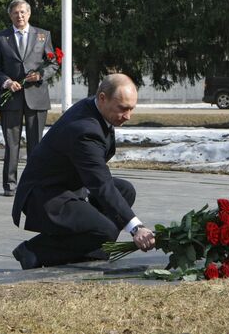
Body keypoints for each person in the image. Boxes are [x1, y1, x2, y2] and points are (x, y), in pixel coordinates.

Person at [12, 74, 156, 269]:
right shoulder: (84, 129)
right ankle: (35, 251)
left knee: (125, 190)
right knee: (103, 230)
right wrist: (136, 227)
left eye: (131, 109)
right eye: (122, 108)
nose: (128, 116)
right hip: (46, 196)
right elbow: (100, 183)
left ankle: (95, 251)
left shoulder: (96, 110)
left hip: (70, 185)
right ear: (103, 98)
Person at [0, 0, 57, 197]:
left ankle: (35, 183)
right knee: (12, 145)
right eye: (15, 13)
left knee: (37, 145)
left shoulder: (43, 36)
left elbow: (53, 64)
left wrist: (41, 75)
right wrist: (7, 82)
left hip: (36, 98)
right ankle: (10, 185)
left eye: (22, 12)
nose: (19, 16)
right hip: (11, 99)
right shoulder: (0, 38)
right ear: (10, 15)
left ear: (29, 14)